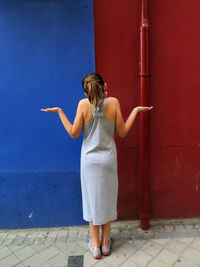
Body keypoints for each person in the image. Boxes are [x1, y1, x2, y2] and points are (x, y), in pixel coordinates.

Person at [41, 72, 153, 259]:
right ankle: (105, 243)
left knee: (92, 201)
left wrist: (60, 112)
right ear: (105, 86)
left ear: (85, 93)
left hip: (89, 163)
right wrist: (135, 111)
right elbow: (123, 132)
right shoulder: (114, 103)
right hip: (108, 160)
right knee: (108, 200)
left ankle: (95, 246)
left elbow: (73, 133)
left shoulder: (83, 105)